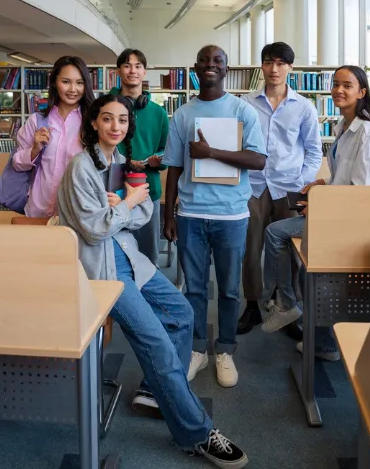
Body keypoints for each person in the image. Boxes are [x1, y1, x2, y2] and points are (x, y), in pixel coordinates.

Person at [57, 94, 248, 469]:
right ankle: (195, 431)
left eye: (123, 121)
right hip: (102, 270)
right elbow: (96, 232)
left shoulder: (121, 163)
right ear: (94, 123)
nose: (116, 126)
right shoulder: (81, 167)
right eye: (108, 119)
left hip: (129, 258)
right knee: (156, 342)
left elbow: (143, 213)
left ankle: (159, 391)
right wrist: (124, 205)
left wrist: (123, 206)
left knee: (181, 313)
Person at [261, 65, 370, 360]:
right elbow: (345, 177)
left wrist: (320, 203)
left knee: (276, 232)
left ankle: (286, 304)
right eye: (335, 84)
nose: (339, 90)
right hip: (337, 212)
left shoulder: (367, 133)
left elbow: (361, 190)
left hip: (350, 222)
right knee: (309, 265)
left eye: (347, 85)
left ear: (362, 92)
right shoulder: (344, 127)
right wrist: (323, 183)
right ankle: (322, 341)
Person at [163, 45, 266, 388]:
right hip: (191, 213)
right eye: (205, 60)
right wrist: (169, 214)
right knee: (193, 289)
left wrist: (211, 153)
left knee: (229, 290)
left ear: (226, 69)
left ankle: (225, 350)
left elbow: (258, 161)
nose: (210, 65)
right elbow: (174, 168)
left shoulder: (243, 111)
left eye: (217, 61)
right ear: (195, 68)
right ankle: (197, 350)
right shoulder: (182, 114)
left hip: (231, 215)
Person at [237, 42, 322, 335]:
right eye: (268, 62)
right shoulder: (245, 104)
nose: (274, 69)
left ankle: (285, 307)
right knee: (250, 251)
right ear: (261, 66)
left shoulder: (304, 107)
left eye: (280, 63)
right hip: (254, 186)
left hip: (289, 188)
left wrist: (302, 184)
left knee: (290, 252)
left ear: (290, 68)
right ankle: (252, 306)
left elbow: (313, 151)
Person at [12, 55, 94, 218]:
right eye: (66, 82)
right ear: (55, 83)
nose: (73, 89)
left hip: (77, 213)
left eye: (79, 83)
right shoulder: (37, 120)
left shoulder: (93, 123)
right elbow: (17, 164)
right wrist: (34, 149)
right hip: (38, 210)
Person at [109, 48, 169, 265]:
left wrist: (159, 159)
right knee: (114, 256)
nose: (132, 71)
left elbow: (166, 149)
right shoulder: (106, 107)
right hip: (112, 191)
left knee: (147, 256)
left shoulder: (158, 113)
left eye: (137, 66)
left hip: (147, 191)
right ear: (118, 71)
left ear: (144, 72)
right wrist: (125, 162)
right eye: (126, 65)